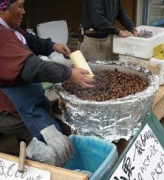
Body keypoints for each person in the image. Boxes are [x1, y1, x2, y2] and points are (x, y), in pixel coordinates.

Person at [0, 0, 94, 166]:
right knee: (56, 149)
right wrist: (69, 73)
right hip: (12, 110)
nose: (23, 11)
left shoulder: (11, 29)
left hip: (27, 98)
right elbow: (33, 67)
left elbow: (29, 39)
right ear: (3, 10)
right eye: (20, 6)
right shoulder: (2, 37)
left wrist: (53, 46)